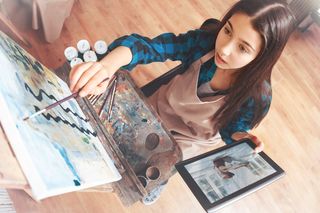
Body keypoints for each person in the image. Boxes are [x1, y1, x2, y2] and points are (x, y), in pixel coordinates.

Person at [68, 0, 295, 204]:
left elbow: (231, 128)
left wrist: (241, 138)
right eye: (227, 30)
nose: (224, 49)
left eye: (243, 48)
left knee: (144, 178)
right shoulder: (205, 43)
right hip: (157, 110)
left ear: (261, 58)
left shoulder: (258, 97)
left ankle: (158, 183)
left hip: (187, 143)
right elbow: (148, 47)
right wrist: (106, 66)